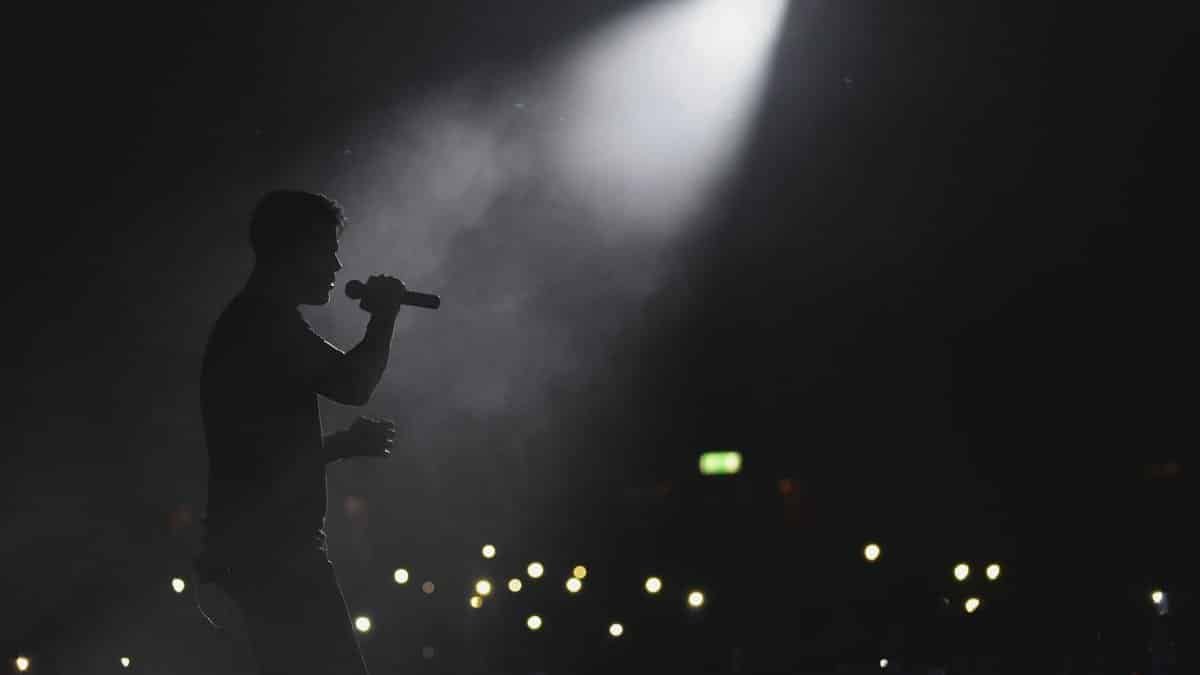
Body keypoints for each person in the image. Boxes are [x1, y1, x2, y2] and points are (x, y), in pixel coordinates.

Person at [194, 189, 407, 674]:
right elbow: (353, 384)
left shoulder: (253, 323)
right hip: (275, 558)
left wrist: (337, 447)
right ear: (294, 249)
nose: (336, 265)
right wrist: (384, 316)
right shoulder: (262, 324)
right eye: (327, 249)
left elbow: (261, 459)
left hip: (260, 553)